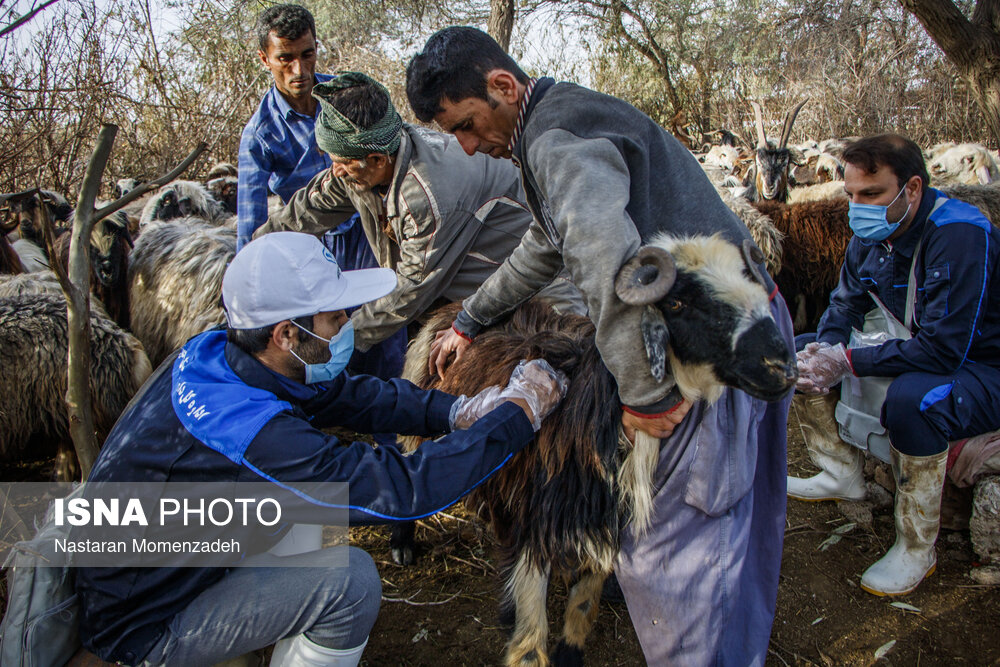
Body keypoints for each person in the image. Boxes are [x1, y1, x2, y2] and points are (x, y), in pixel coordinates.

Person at [406, 27, 795, 665]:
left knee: (673, 551)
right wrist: (471, 320)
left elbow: (608, 267)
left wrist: (643, 397)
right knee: (737, 525)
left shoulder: (555, 142)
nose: (470, 146)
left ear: (503, 86)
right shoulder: (561, 121)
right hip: (750, 320)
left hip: (706, 355)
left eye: (469, 125)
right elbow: (545, 244)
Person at [73, 231, 568, 666]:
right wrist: (518, 414)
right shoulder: (255, 432)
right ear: (287, 333)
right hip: (141, 621)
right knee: (351, 581)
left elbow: (348, 396)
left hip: (154, 553)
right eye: (335, 317)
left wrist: (455, 411)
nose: (348, 324)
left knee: (306, 527)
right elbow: (401, 490)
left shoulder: (219, 355)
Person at [789, 133, 1000, 596]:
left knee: (914, 400)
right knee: (795, 353)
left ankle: (916, 545)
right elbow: (843, 306)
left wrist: (846, 361)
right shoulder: (872, 232)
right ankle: (841, 472)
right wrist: (824, 350)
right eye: (850, 195)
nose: (857, 206)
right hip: (919, 344)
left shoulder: (959, 235)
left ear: (913, 189)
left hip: (982, 365)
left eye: (871, 194)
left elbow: (944, 351)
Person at [254, 71, 584, 353]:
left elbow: (407, 291)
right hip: (461, 292)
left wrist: (332, 345)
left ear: (378, 161)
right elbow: (306, 211)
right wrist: (253, 258)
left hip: (536, 291)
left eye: (340, 163)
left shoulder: (427, 194)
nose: (334, 171)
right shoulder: (359, 166)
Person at [237, 5, 406, 390]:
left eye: (306, 55)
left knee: (387, 322)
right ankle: (335, 410)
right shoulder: (259, 134)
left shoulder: (344, 100)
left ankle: (392, 425)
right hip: (313, 246)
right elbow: (251, 229)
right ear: (265, 59)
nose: (299, 71)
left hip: (370, 227)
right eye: (285, 59)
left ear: (316, 47)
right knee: (324, 335)